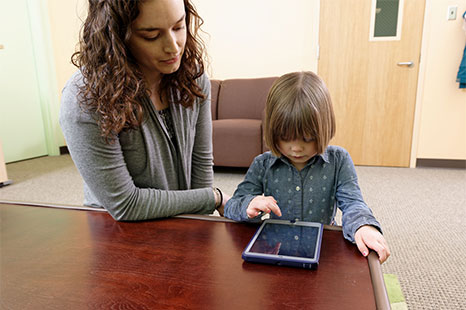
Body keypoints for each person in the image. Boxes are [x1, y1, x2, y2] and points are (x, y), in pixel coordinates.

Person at [59, 0, 229, 221]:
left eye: (179, 27)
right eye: (151, 35)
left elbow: (201, 166)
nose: (173, 47)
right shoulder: (85, 98)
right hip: (119, 233)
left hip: (183, 222)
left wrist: (197, 227)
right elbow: (125, 204)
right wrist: (214, 198)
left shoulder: (193, 77)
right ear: (117, 36)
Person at [224, 71, 390, 263]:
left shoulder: (339, 160)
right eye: (285, 138)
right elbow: (232, 207)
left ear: (324, 128)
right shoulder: (262, 164)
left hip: (322, 251)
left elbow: (353, 204)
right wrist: (249, 204)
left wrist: (364, 227)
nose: (296, 148)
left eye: (308, 138)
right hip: (275, 253)